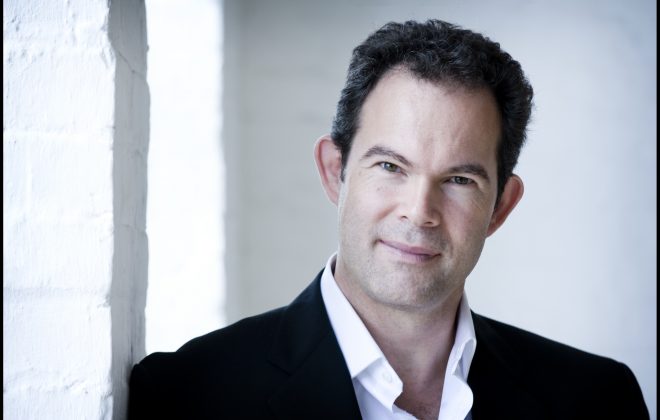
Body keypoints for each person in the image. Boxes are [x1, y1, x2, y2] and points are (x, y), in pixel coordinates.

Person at [128, 19, 649, 420]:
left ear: (501, 207)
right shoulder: (188, 395)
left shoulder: (599, 401)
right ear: (335, 173)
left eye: (459, 179)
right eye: (390, 167)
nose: (418, 212)